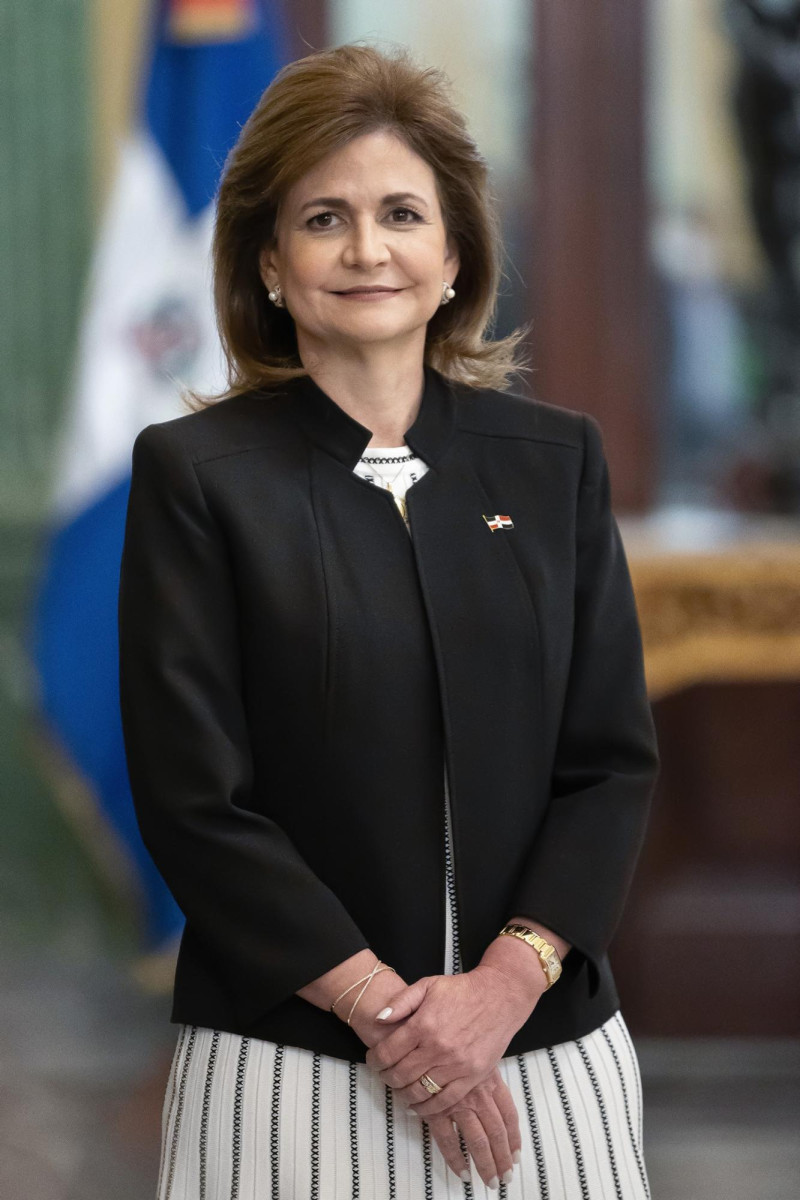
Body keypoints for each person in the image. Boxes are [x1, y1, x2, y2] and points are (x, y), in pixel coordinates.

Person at [118, 42, 660, 1200]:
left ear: (453, 253)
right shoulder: (197, 477)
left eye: (400, 213)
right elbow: (193, 801)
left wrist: (500, 990)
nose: (366, 249)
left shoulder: (555, 462)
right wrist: (393, 1015)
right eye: (323, 218)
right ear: (267, 261)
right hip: (288, 1064)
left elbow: (609, 764)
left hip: (545, 1056)